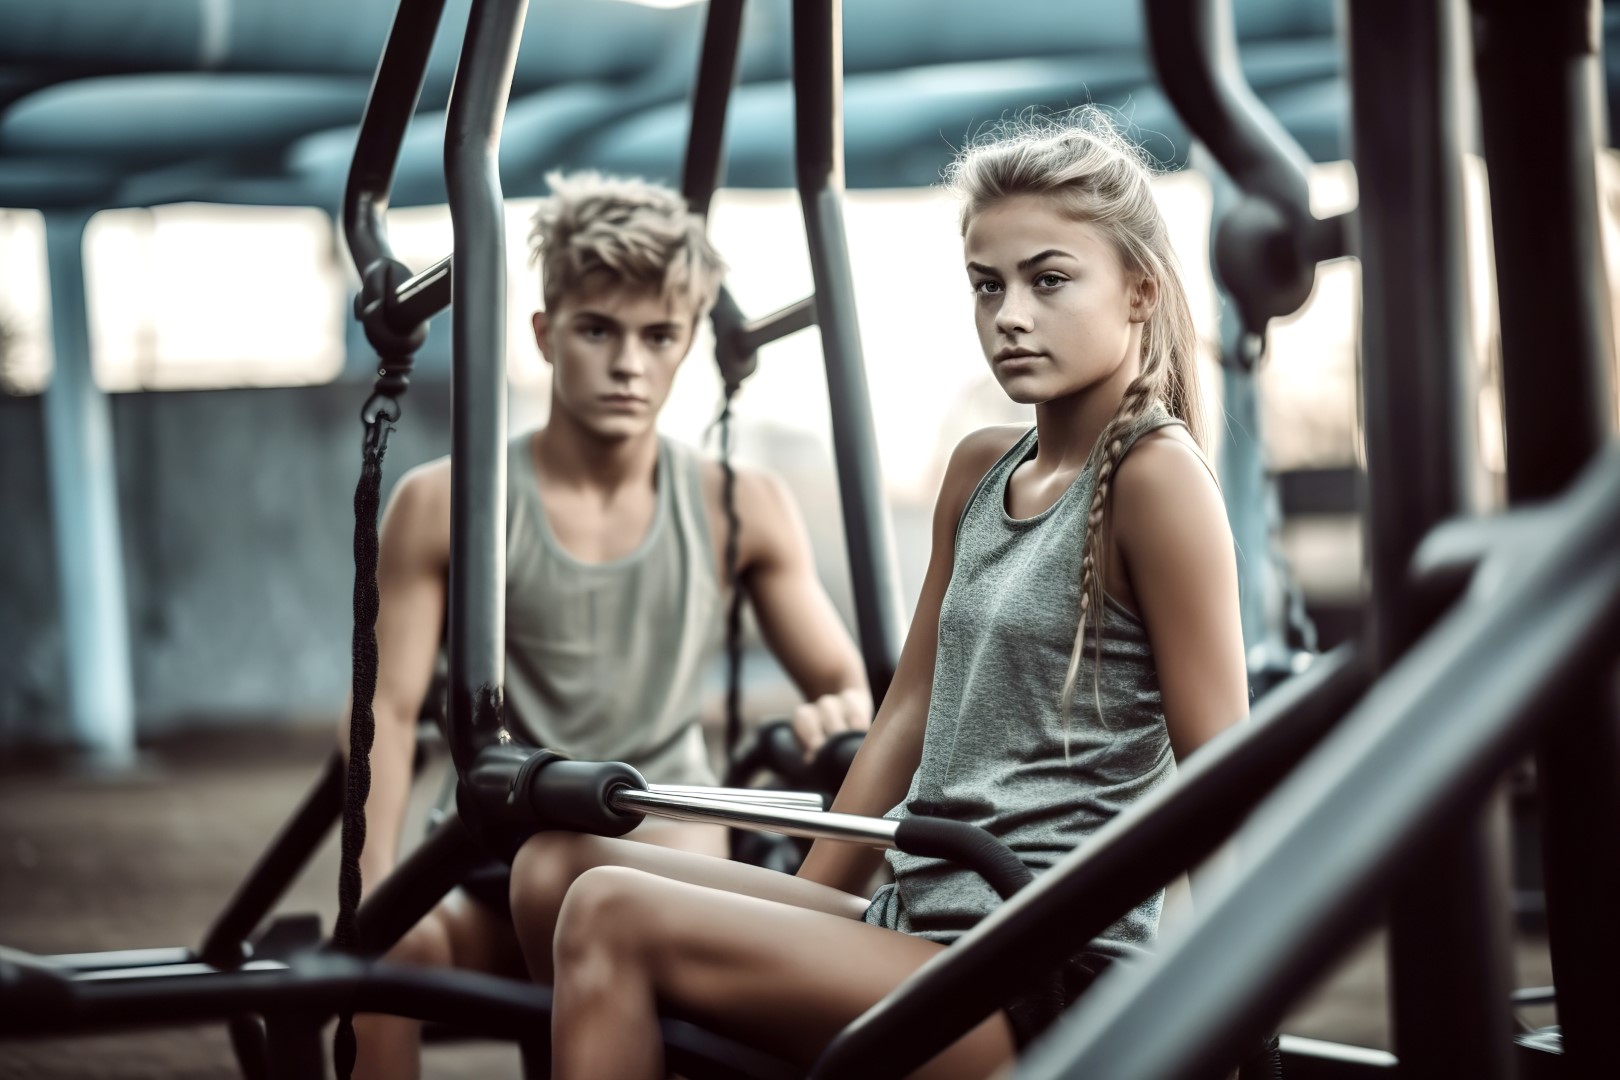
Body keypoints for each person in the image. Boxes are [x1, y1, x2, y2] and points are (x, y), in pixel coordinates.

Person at [504, 109, 1250, 1080]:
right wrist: (802, 917)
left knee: (612, 914)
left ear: (1139, 290)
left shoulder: (1158, 480)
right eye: (987, 285)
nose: (1009, 315)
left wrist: (1231, 1025)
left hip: (1041, 976)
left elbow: (1221, 782)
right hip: (917, 922)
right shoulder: (981, 469)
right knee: (553, 868)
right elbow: (905, 712)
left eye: (1048, 280)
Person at [344, 171, 874, 1080]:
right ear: (544, 334)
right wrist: (371, 894)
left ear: (687, 343)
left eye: (657, 336)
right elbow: (384, 716)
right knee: (385, 955)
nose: (629, 363)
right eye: (597, 330)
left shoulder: (739, 503)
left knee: (620, 887)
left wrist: (837, 710)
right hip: (494, 851)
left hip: (667, 847)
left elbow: (846, 683)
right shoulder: (443, 502)